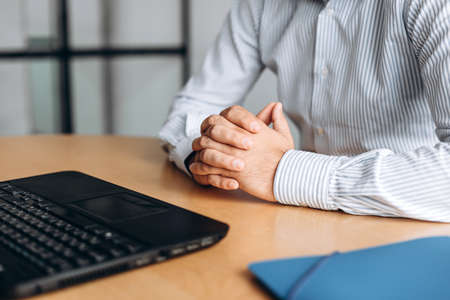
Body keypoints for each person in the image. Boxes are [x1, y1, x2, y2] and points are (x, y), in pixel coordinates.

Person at [159, 0, 450, 222]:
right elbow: (192, 108)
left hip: (416, 227)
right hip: (304, 222)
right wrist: (211, 158)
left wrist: (281, 171)